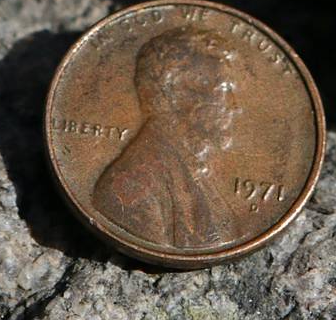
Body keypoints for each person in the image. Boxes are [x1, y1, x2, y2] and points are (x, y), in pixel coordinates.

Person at [92, 27, 243, 249]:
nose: (233, 106)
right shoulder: (132, 189)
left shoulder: (190, 168)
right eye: (221, 89)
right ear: (173, 94)